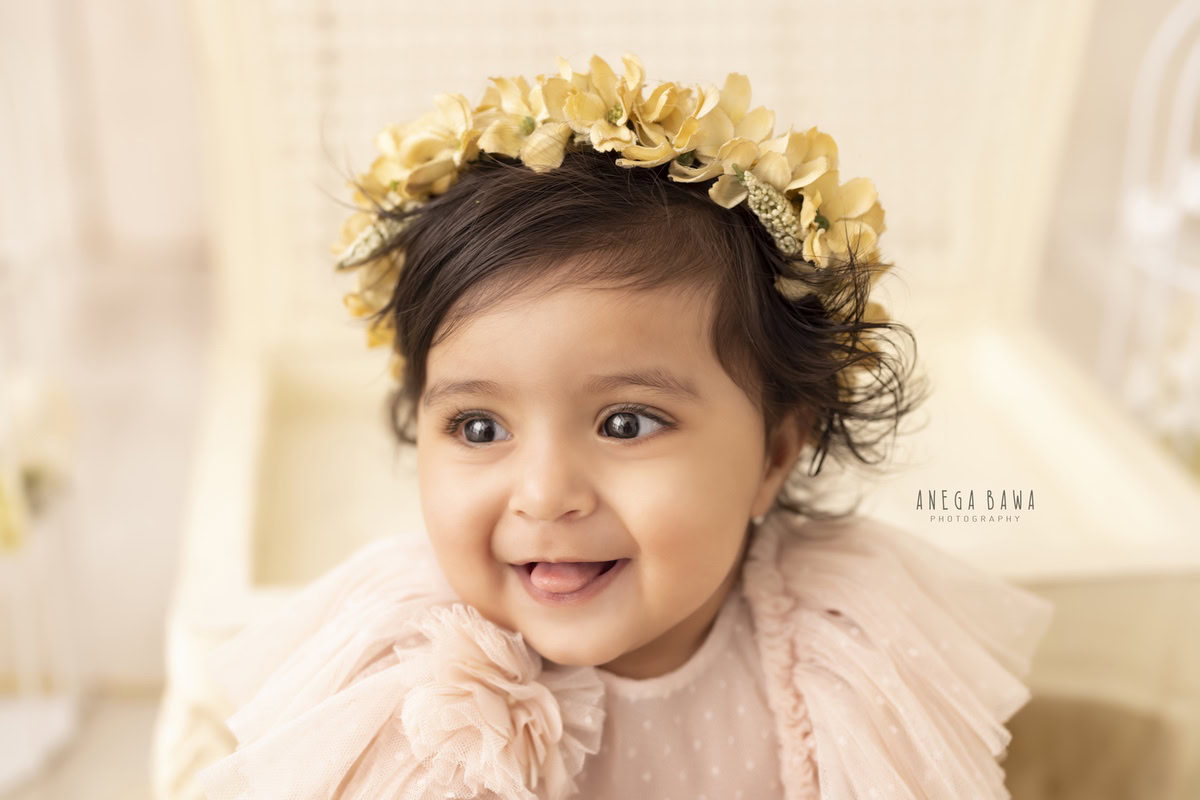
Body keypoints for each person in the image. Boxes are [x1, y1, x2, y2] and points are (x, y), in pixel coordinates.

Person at [194, 53, 1054, 799]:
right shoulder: (409, 684)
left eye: (627, 422)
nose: (546, 494)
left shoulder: (845, 647)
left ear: (774, 456)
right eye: (480, 428)